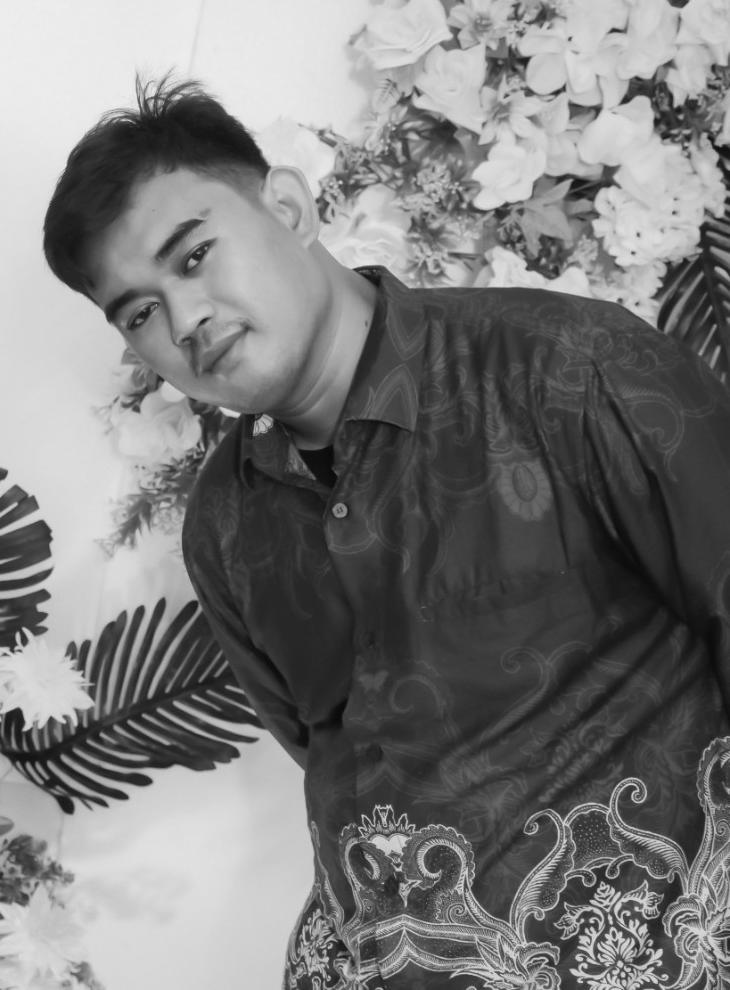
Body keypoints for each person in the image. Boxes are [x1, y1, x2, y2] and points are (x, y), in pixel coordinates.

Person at [42, 78, 730, 987]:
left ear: (289, 208)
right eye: (139, 312)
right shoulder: (226, 520)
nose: (185, 319)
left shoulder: (566, 371)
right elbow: (323, 752)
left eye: (196, 255)